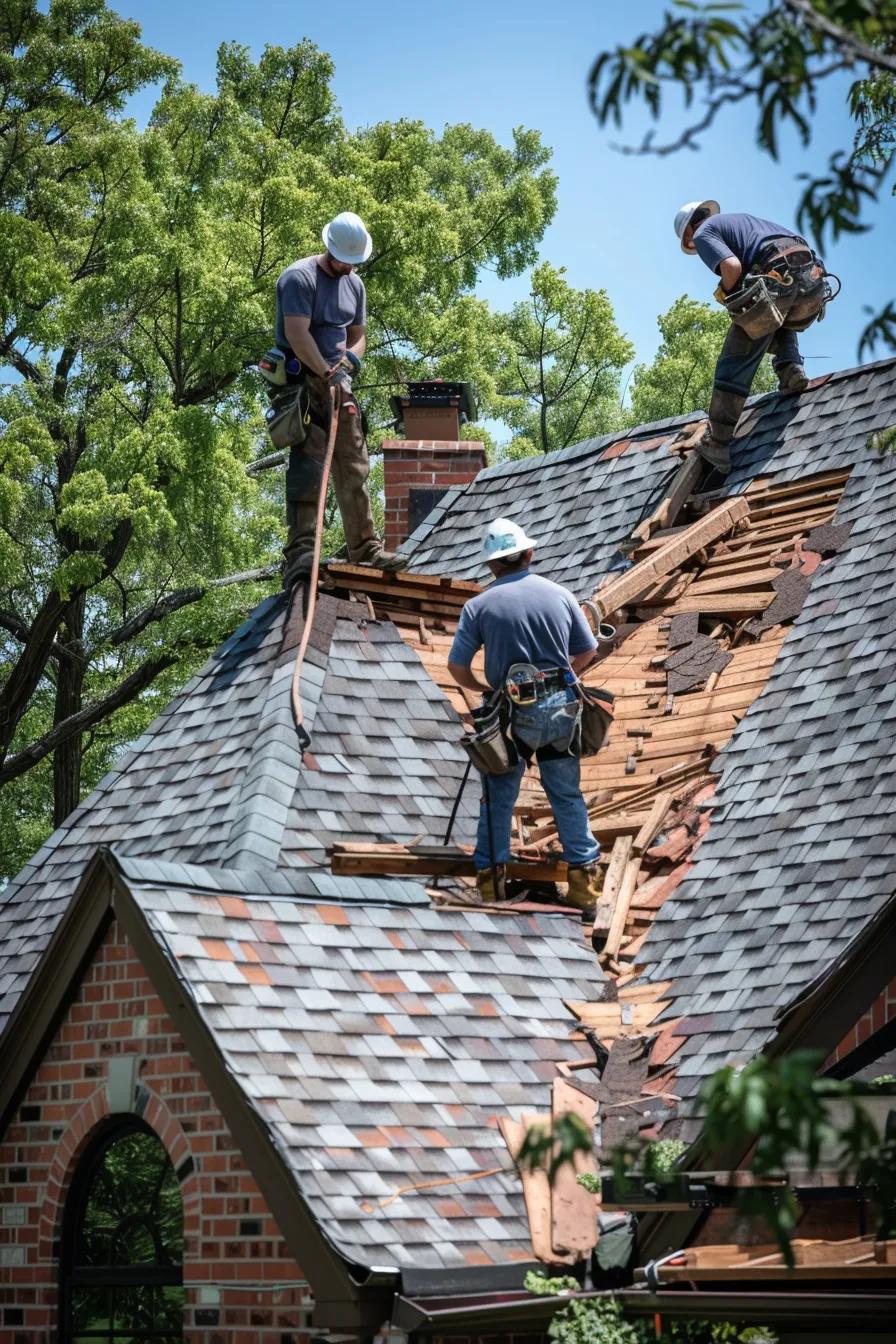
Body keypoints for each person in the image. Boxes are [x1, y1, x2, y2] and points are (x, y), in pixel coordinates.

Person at [447, 518, 602, 911]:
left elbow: (457, 667)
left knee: (498, 798)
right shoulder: (560, 595)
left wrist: (485, 688)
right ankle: (584, 886)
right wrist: (565, 676)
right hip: (560, 709)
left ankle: (490, 885)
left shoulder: (478, 606)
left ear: (491, 565)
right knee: (565, 793)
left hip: (509, 713)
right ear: (529, 554)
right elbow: (587, 652)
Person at [274, 212, 406, 585]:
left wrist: (349, 360)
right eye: (342, 261)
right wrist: (325, 371)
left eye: (353, 262)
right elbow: (297, 335)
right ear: (328, 248)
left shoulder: (355, 286)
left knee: (353, 460)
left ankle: (365, 548)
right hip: (302, 382)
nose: (348, 267)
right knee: (309, 466)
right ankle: (302, 552)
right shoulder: (299, 278)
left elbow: (358, 334)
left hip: (338, 381)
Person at [674, 200, 830, 473]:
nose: (695, 246)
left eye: (690, 243)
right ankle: (790, 369)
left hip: (777, 272)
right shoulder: (745, 223)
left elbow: (732, 267)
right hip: (814, 281)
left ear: (689, 233)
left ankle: (718, 441)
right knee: (775, 317)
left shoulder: (703, 233)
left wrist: (727, 292)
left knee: (735, 355)